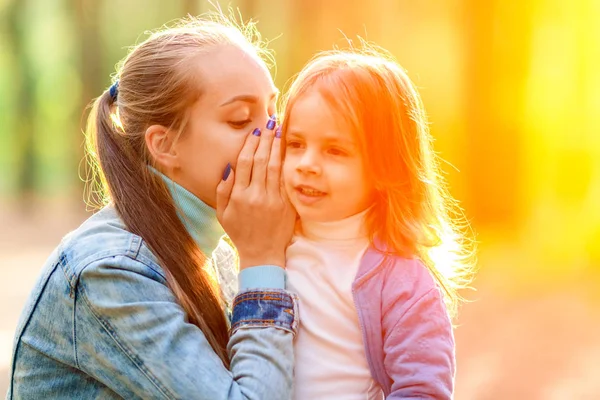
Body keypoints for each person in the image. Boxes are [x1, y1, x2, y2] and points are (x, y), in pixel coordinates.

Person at [6, 15, 298, 400]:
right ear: (164, 145)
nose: (274, 136)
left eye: (273, 114)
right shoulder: (109, 272)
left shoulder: (220, 254)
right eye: (240, 119)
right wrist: (263, 261)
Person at [280, 45, 476, 399]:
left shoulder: (401, 280)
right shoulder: (265, 243)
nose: (307, 163)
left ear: (384, 167)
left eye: (334, 150)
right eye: (295, 144)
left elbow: (423, 389)